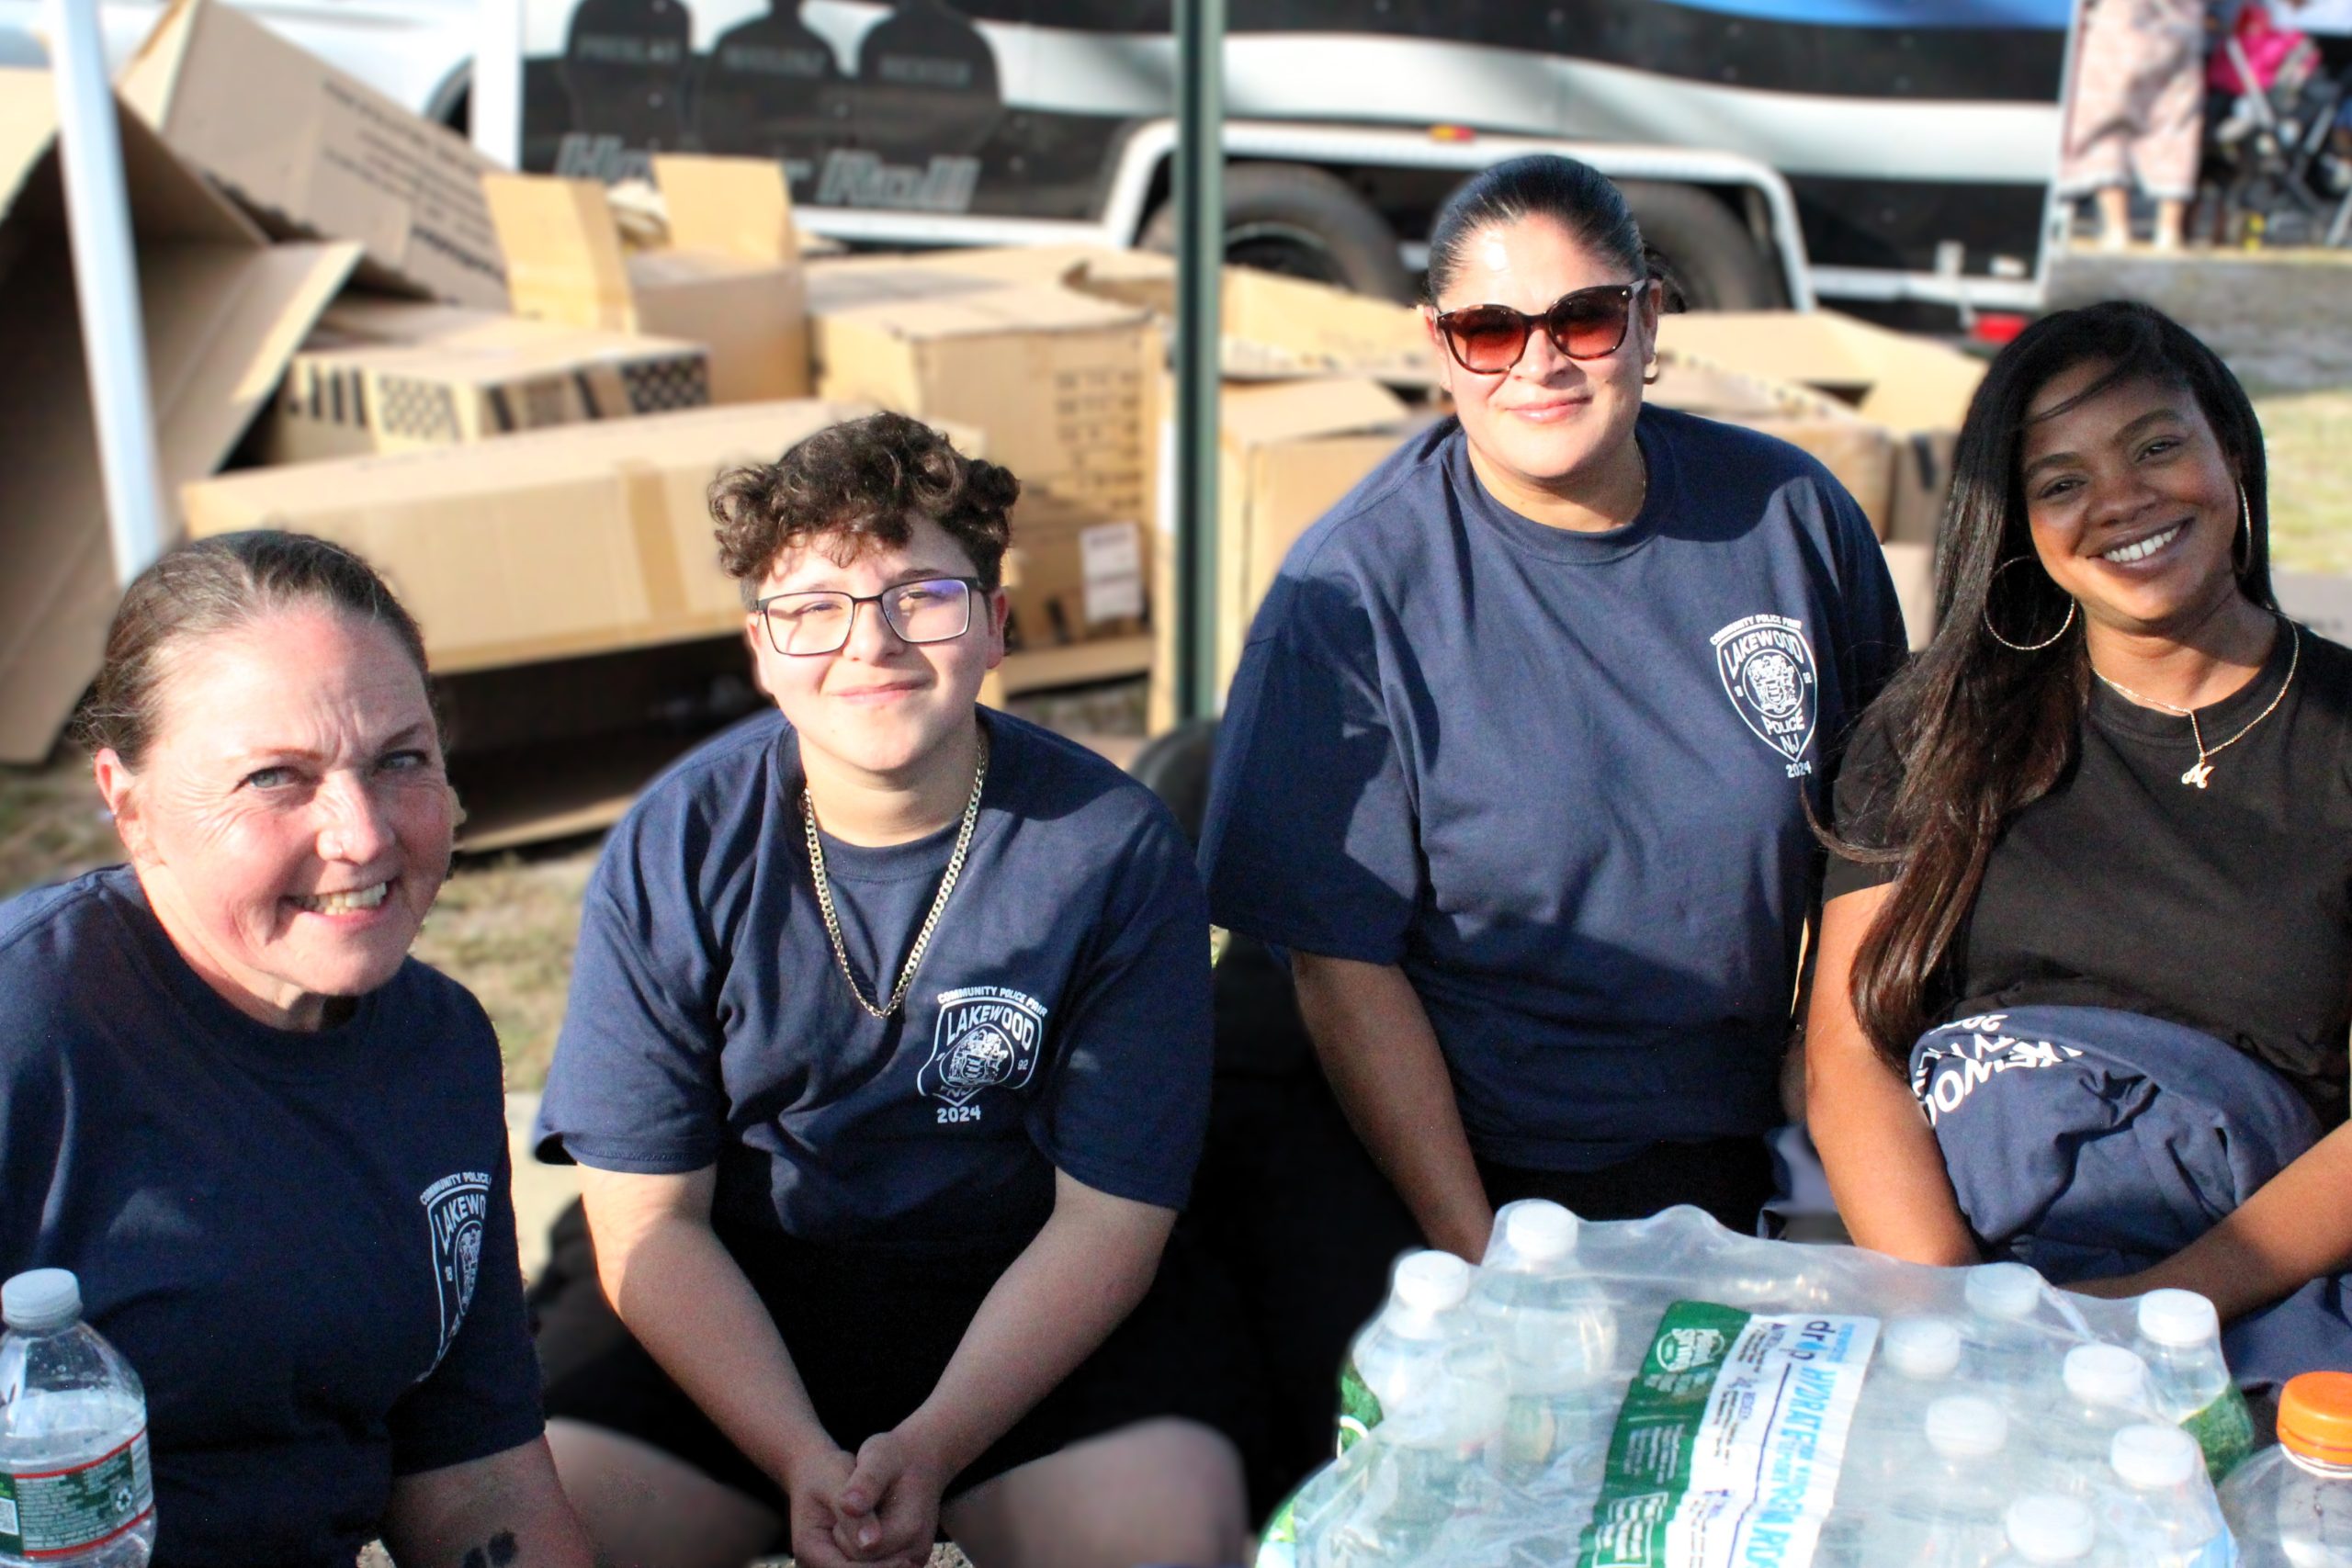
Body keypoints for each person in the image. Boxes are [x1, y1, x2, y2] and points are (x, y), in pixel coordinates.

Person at [529, 412, 1251, 1568]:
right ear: (761, 647)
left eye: (922, 596)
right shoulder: (677, 842)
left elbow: (1109, 1221)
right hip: (733, 1277)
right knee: (542, 1527)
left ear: (996, 625)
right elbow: (648, 1223)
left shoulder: (1111, 849)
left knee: (1163, 1534)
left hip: (1021, 1286)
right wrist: (795, 1455)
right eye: (812, 608)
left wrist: (931, 1445)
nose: (869, 644)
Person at [1198, 153, 1906, 1280]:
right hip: (1473, 1158)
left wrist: (1824, 1067)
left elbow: (1878, 833)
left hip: (1762, 1130)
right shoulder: (1351, 592)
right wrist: (1481, 1260)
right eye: (1489, 331)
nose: (1539, 362)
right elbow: (1339, 967)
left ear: (1648, 318)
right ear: (1437, 346)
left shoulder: (1790, 515)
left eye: (1582, 318)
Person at [0, 532, 597, 1568]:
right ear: (131, 806)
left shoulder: (439, 1048)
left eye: (399, 760)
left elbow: (473, 1473)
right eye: (276, 777)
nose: (360, 834)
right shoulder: (27, 1029)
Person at [1806, 299, 2352, 1385]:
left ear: (2231, 452)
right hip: (1948, 1272)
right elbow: (1846, 1052)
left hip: (2247, 1302)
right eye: (2061, 483)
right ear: (2019, 524)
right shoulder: (1937, 729)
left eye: (2154, 448)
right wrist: (1955, 1314)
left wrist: (2154, 1309)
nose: (2120, 502)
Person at [2060, 0, 2210, 250]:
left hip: (2120, 26)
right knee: (2176, 126)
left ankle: (2117, 228)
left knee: (2105, 125)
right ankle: (2169, 231)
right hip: (2180, 28)